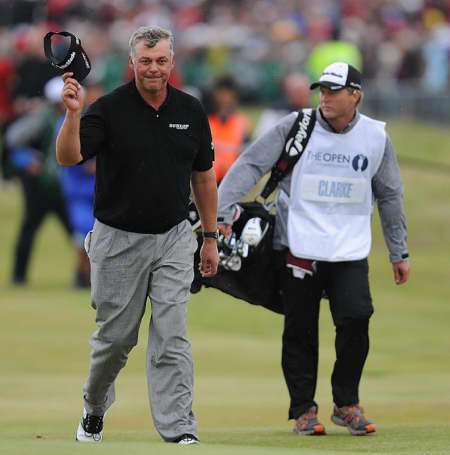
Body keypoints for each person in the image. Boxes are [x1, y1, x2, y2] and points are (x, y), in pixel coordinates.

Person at [217, 62, 410, 436]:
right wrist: (222, 211)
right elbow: (251, 163)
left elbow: (390, 195)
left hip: (350, 248)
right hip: (298, 244)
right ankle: (304, 409)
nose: (325, 97)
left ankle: (346, 403)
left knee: (356, 318)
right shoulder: (296, 126)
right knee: (300, 329)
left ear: (355, 95)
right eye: (322, 89)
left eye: (334, 91)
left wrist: (398, 252)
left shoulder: (374, 137)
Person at [56, 26, 219, 445]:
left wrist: (210, 236)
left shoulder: (191, 110)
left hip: (173, 237)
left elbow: (203, 178)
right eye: (145, 61)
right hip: (117, 239)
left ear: (172, 63)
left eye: (161, 60)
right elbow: (69, 156)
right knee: (115, 340)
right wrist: (73, 114)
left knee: (172, 333)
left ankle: (179, 426)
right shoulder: (107, 109)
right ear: (132, 63)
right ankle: (94, 407)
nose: (153, 68)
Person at [6, 76, 72, 285]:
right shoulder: (42, 119)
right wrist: (28, 160)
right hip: (41, 187)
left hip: (64, 186)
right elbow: (13, 140)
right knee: (29, 230)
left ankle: (84, 277)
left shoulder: (72, 117)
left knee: (78, 234)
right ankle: (18, 276)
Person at [207, 75, 251, 184]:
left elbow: (246, 150)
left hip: (233, 178)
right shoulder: (207, 121)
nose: (225, 98)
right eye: (221, 93)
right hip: (209, 178)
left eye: (228, 94)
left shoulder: (242, 122)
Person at [252, 73, 311, 138]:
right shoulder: (274, 112)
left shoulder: (315, 113)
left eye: (302, 91)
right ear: (287, 91)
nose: (299, 95)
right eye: (296, 91)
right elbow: (261, 136)